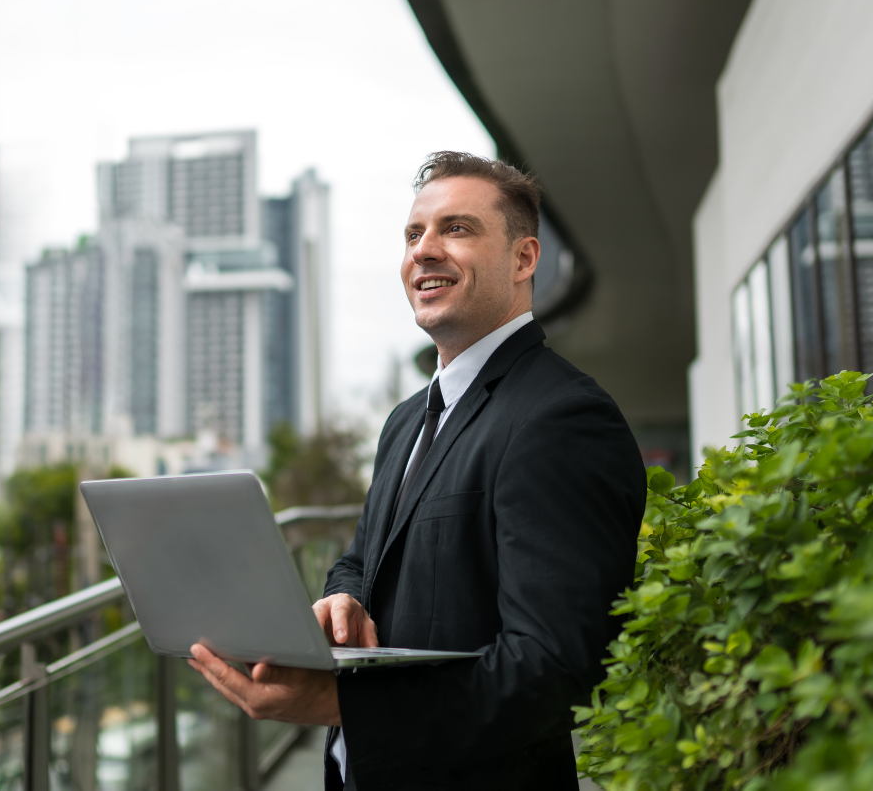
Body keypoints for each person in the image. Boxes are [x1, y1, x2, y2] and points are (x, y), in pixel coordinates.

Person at [188, 151, 645, 788]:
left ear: (523, 259)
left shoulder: (562, 418)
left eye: (456, 228)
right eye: (413, 233)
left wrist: (337, 703)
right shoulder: (406, 420)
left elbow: (553, 669)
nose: (423, 250)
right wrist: (343, 596)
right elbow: (363, 557)